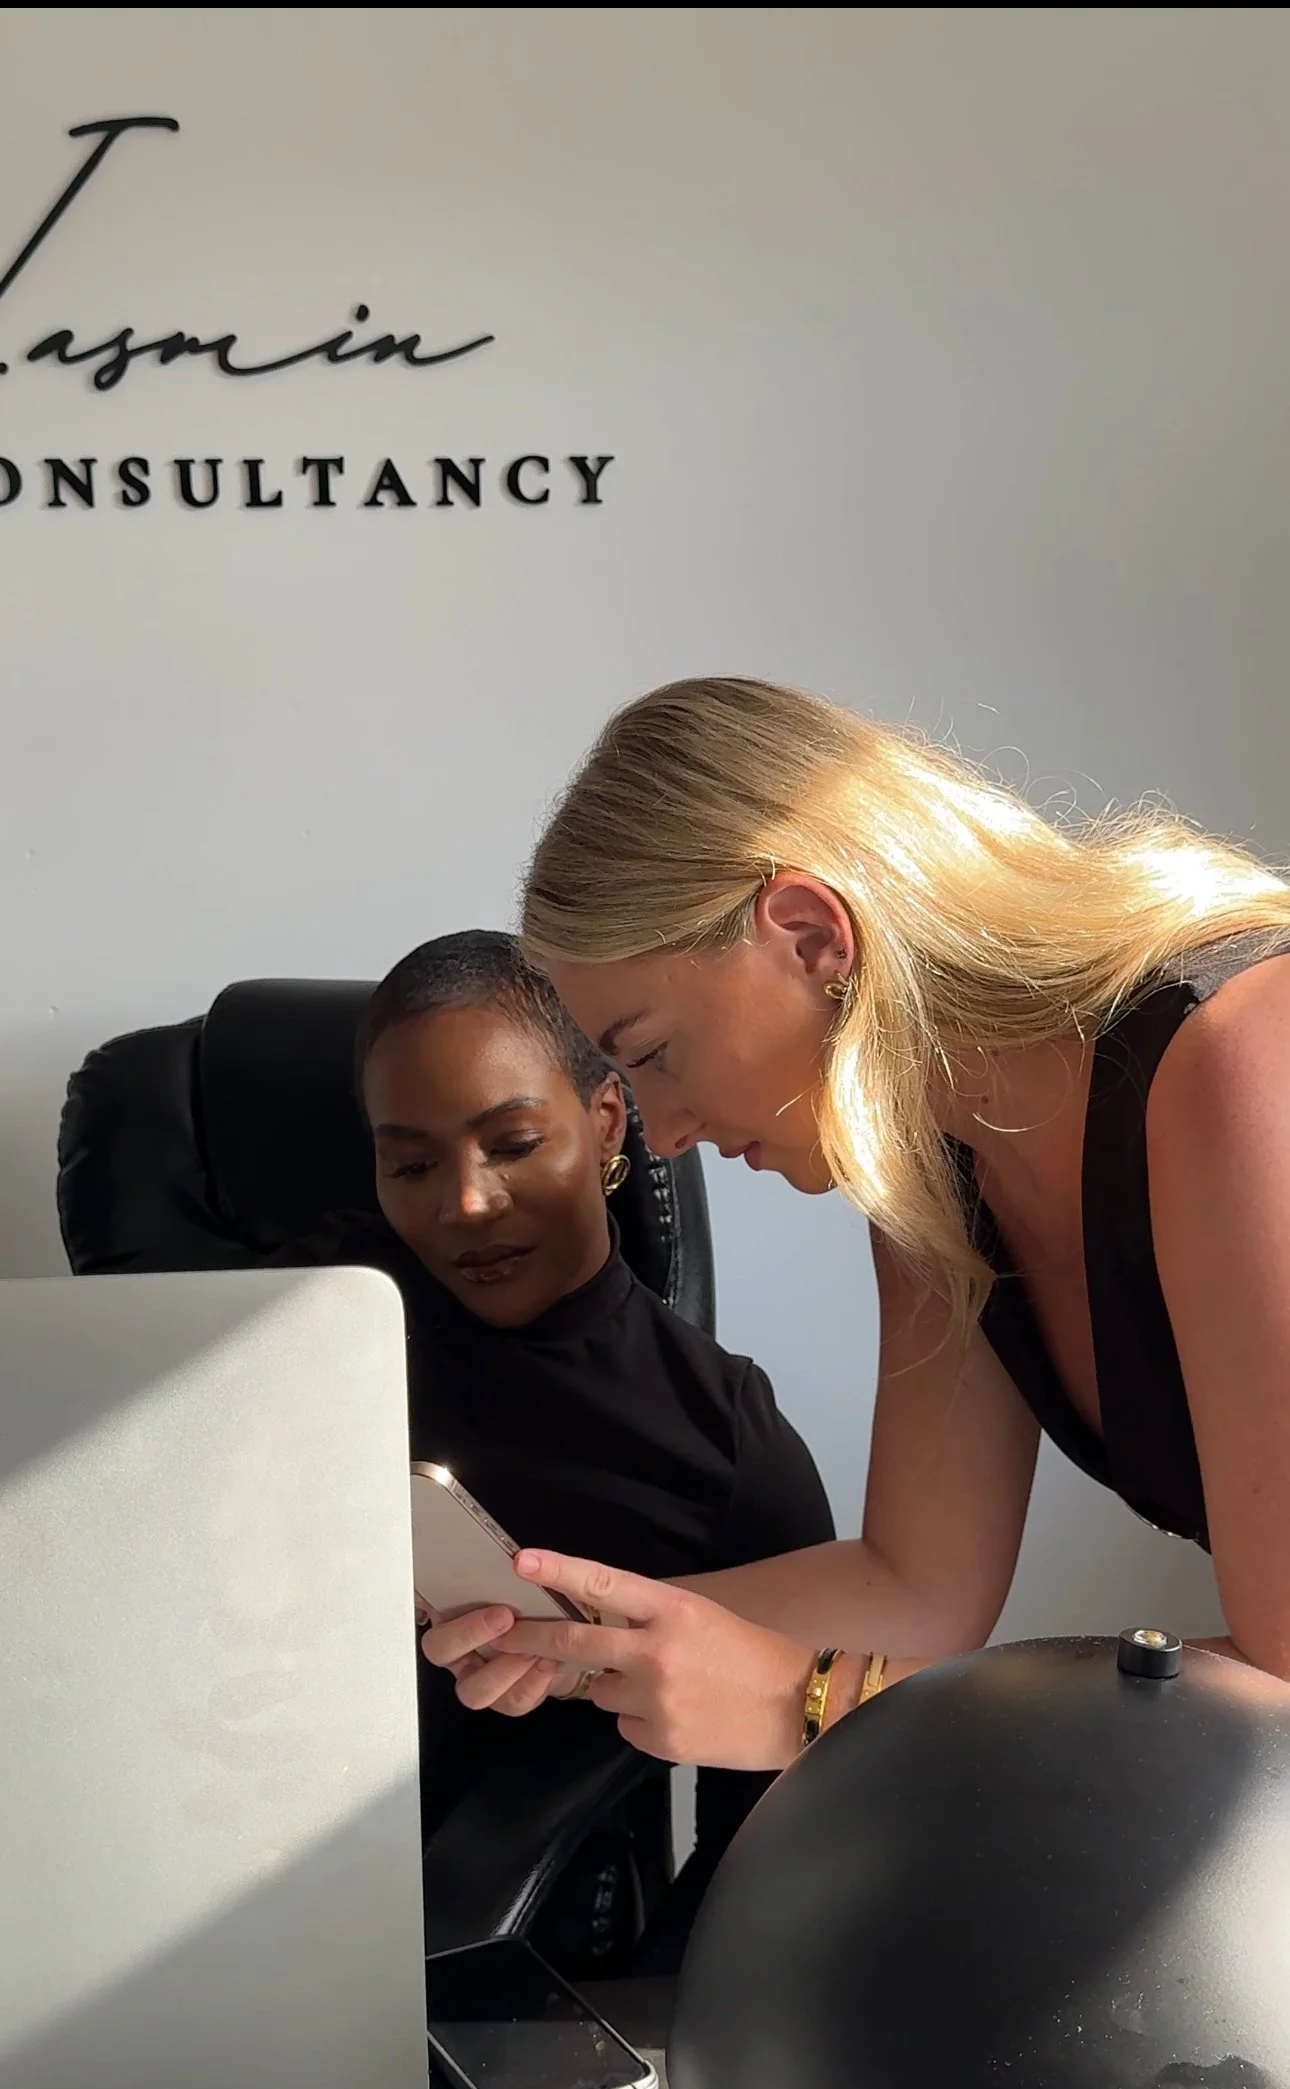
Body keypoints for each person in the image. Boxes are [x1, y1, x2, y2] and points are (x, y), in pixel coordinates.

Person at [420, 674, 1290, 1774]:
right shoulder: (934, 1176)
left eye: (651, 1055)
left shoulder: (1241, 1058)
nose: (665, 1135)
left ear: (810, 934)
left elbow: (1283, 1684)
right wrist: (565, 1635)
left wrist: (807, 1701)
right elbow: (913, 1588)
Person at [273, 926, 834, 1954]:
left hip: (482, 1950)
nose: (466, 1203)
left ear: (608, 1121)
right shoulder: (307, 1315)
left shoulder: (725, 1446)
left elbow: (763, 1853)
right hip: (237, 1833)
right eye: (411, 1163)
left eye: (515, 1144)